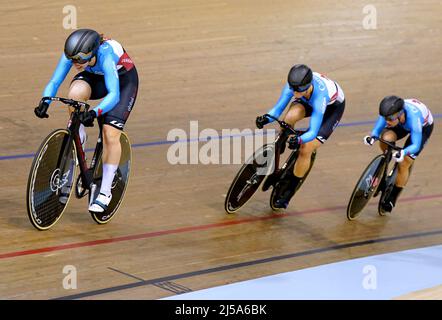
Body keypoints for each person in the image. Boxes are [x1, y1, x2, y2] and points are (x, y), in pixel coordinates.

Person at [34, 29, 139, 213]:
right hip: (95, 78)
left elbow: (113, 96)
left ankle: (105, 192)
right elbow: (55, 81)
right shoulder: (74, 54)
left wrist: (94, 113)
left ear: (92, 53)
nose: (75, 63)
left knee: (110, 133)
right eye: (73, 60)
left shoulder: (105, 54)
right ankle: (79, 135)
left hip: (122, 83)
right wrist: (45, 101)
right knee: (75, 95)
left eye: (80, 60)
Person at [256, 64, 345, 209]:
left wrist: (299, 139)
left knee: (305, 148)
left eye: (298, 90)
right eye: (293, 89)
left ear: (308, 85)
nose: (294, 93)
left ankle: (289, 191)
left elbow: (313, 131)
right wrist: (266, 118)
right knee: (289, 117)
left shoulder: (320, 97)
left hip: (330, 110)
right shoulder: (295, 86)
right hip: (308, 100)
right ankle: (282, 142)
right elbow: (278, 109)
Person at [364, 95, 434, 212]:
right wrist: (372, 137)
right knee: (386, 138)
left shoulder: (413, 118)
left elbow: (415, 145)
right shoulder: (389, 113)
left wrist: (404, 152)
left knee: (405, 162)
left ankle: (393, 197)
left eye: (389, 119)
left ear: (400, 114)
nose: (387, 121)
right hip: (401, 124)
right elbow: (377, 130)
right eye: (385, 118)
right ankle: (386, 161)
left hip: (422, 128)